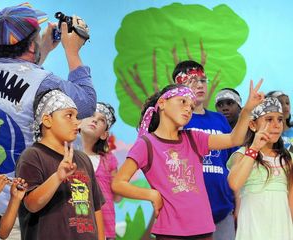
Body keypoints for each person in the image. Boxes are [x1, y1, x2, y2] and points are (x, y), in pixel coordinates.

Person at [0, 3, 96, 238]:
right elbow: (85, 104)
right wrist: (72, 51)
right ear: (31, 43)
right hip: (33, 209)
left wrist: (41, 49)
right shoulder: (43, 81)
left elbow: (15, 80)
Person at [112, 81, 264, 239]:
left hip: (203, 229)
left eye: (191, 107)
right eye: (182, 102)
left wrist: (247, 110)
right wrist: (151, 194)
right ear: (162, 103)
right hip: (170, 232)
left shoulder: (194, 138)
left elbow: (234, 139)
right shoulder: (146, 144)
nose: (188, 109)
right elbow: (118, 183)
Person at [15, 89, 105, 240]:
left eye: (77, 117)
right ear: (47, 120)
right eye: (69, 115)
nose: (77, 122)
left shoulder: (83, 159)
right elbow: (31, 204)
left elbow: (96, 209)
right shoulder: (32, 156)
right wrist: (57, 177)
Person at [172, 60, 236, 239]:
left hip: (223, 210)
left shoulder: (220, 120)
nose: (199, 85)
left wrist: (237, 202)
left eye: (203, 80)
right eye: (192, 81)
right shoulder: (175, 121)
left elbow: (233, 163)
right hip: (187, 213)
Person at [227, 97, 293, 239]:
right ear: (252, 124)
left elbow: (291, 201)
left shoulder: (288, 159)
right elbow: (234, 183)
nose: (276, 125)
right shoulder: (242, 154)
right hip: (253, 230)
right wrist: (255, 148)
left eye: (280, 119)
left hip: (282, 231)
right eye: (269, 119)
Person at [79, 102, 120, 239]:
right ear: (78, 122)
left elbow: (117, 196)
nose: (95, 119)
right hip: (76, 228)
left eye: (101, 119)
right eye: (91, 115)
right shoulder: (66, 157)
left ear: (104, 134)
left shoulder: (109, 160)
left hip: (105, 230)